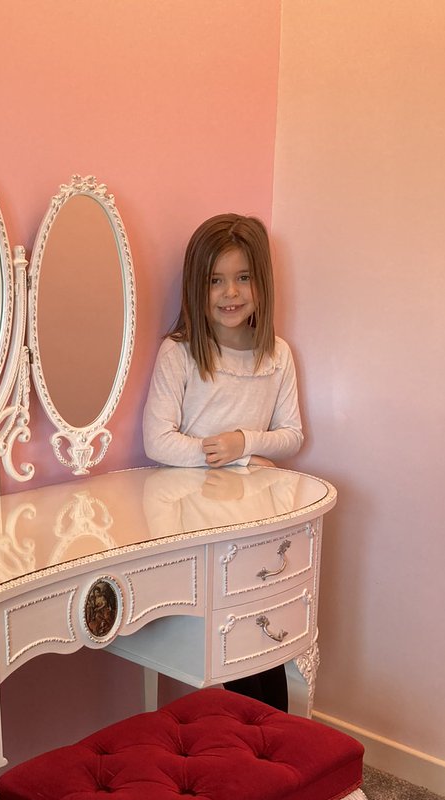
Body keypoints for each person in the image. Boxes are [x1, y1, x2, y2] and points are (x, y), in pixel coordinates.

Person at [143, 213, 303, 712]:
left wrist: (243, 443)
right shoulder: (180, 353)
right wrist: (238, 457)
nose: (230, 293)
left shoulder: (277, 355)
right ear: (198, 285)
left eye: (243, 277)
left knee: (266, 646)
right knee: (235, 650)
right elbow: (157, 442)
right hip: (198, 524)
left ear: (261, 282)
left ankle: (274, 744)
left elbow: (292, 436)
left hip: (255, 523)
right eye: (216, 280)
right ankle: (253, 743)